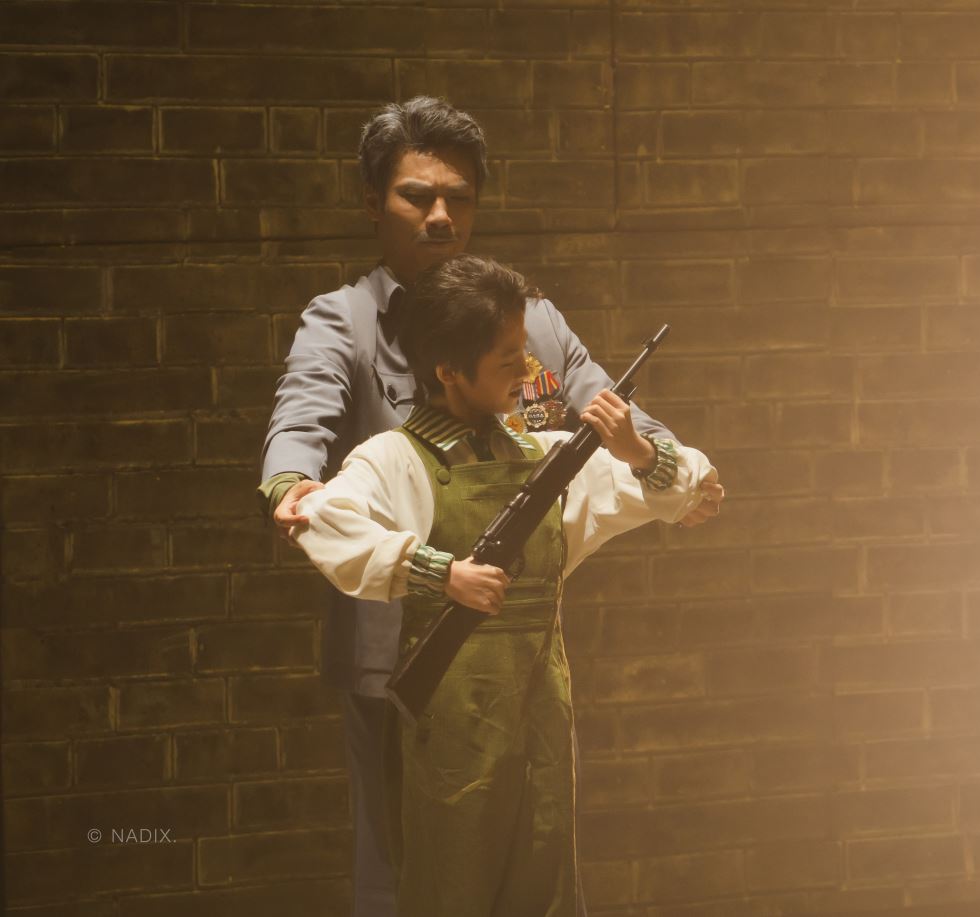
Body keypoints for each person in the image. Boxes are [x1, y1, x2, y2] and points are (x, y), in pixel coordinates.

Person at [257, 96, 724, 916]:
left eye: (459, 198)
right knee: (404, 864)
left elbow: (606, 403)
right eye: (417, 196)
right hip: (396, 636)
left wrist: (669, 467)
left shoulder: (526, 318)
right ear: (374, 203)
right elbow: (304, 410)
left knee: (536, 850)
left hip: (516, 642)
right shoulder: (345, 319)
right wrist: (291, 480)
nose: (441, 216)